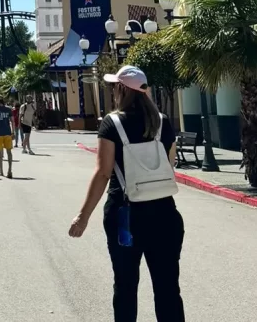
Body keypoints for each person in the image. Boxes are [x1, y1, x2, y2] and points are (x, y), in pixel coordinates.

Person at [68, 65, 184, 322]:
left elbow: (103, 173)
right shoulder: (163, 122)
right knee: (167, 289)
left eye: (113, 86)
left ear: (121, 89)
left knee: (125, 286)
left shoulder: (113, 123)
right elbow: (170, 162)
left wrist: (83, 216)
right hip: (165, 213)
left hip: (126, 216)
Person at [0, 95, 15, 178]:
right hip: (7, 133)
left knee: (0, 153)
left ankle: (1, 170)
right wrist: (13, 132)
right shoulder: (8, 110)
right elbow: (12, 121)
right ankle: (10, 170)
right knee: (9, 152)